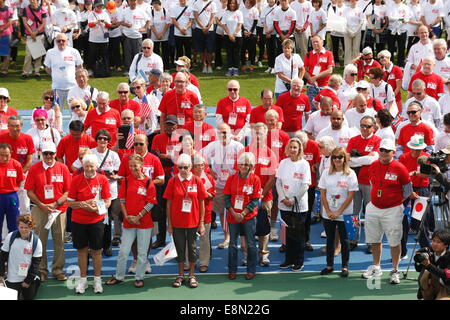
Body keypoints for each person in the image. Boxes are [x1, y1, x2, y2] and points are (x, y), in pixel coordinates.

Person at [362, 138, 413, 285]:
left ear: (393, 152)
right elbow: (373, 184)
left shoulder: (400, 168)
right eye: (381, 150)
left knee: (394, 241)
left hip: (393, 209)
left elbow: (407, 190)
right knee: (374, 239)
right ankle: (376, 267)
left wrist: (395, 202)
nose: (383, 153)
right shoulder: (372, 165)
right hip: (373, 207)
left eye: (387, 150)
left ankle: (395, 270)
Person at [105, 154, 157, 288]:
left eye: (135, 165)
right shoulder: (126, 181)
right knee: (123, 251)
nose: (133, 168)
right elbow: (122, 200)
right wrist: (128, 216)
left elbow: (151, 203)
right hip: (128, 222)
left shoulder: (148, 182)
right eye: (131, 166)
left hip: (144, 224)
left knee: (142, 253)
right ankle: (119, 276)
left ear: (141, 165)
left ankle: (139, 277)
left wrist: (138, 217)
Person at [25, 142, 70, 282]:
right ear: (41, 154)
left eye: (51, 153)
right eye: (46, 153)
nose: (49, 156)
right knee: (39, 241)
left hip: (59, 210)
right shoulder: (34, 169)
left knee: (59, 241)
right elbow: (29, 191)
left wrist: (55, 203)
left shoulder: (63, 168)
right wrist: (41, 204)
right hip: (39, 209)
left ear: (56, 154)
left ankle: (58, 270)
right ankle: (41, 270)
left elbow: (68, 191)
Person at [71, 130, 121, 257]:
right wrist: (82, 176)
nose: (102, 140)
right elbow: (75, 166)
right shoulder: (90, 152)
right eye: (100, 138)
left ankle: (106, 245)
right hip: (90, 193)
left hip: (109, 193)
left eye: (105, 138)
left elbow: (118, 172)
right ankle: (90, 248)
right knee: (93, 221)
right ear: (96, 139)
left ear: (108, 141)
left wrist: (112, 176)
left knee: (106, 220)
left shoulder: (113, 155)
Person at [67, 154, 111, 294]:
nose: (89, 169)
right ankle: (83, 281)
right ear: (83, 167)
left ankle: (97, 281)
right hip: (79, 221)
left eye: (92, 166)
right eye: (87, 166)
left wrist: (96, 208)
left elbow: (107, 201)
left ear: (96, 167)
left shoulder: (103, 179)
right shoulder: (76, 180)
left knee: (97, 251)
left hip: (96, 221)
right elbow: (69, 202)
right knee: (82, 251)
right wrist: (82, 205)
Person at [237, 123, 278, 267]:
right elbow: (238, 175)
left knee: (263, 227)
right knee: (246, 227)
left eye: (261, 133)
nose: (258, 136)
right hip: (246, 199)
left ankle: (263, 254)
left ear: (265, 135)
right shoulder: (244, 151)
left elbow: (272, 177)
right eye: (256, 134)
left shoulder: (270, 154)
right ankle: (247, 255)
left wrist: (261, 193)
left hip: (264, 198)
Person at [163, 153, 206, 288]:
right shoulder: (172, 181)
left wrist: (202, 223)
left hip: (193, 222)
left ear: (191, 167)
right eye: (180, 167)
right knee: (180, 249)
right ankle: (180, 274)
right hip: (177, 222)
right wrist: (169, 224)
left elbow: (202, 203)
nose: (183, 170)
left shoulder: (197, 181)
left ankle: (192, 275)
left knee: (192, 249)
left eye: (186, 167)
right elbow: (168, 204)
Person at [200, 123, 244, 249]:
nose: (223, 135)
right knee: (222, 212)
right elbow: (201, 156)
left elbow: (245, 163)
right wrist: (209, 170)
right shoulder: (213, 145)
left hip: (235, 185)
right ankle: (227, 237)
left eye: (225, 132)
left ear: (230, 133)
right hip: (219, 185)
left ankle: (239, 237)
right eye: (220, 132)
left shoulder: (237, 146)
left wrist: (236, 176)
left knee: (237, 211)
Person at [318, 146, 358, 276]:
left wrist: (339, 211)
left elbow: (351, 196)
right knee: (330, 240)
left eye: (340, 157)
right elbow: (323, 194)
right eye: (334, 157)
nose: (337, 159)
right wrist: (328, 211)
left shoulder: (351, 174)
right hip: (328, 213)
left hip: (345, 213)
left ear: (344, 158)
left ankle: (345, 267)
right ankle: (329, 265)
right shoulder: (325, 173)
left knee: (345, 240)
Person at [223, 152, 261, 280]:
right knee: (232, 244)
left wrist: (243, 213)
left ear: (251, 166)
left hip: (248, 217)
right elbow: (226, 198)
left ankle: (251, 269)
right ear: (238, 165)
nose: (244, 166)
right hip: (233, 217)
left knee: (250, 244)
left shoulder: (255, 179)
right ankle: (232, 269)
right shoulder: (231, 179)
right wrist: (233, 212)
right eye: (242, 164)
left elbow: (255, 199)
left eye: (247, 164)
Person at [346, 115, 381, 252]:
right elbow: (348, 161)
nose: (364, 128)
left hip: (370, 182)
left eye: (367, 126)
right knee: (353, 213)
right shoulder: (353, 140)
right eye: (362, 125)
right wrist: (365, 158)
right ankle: (353, 239)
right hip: (354, 182)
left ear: (373, 127)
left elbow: (373, 160)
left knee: (370, 214)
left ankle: (372, 242)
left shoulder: (378, 140)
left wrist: (357, 159)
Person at [276, 138, 311, 271]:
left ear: (300, 149)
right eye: (291, 147)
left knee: (298, 235)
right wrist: (283, 198)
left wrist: (294, 199)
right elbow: (278, 182)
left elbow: (305, 185)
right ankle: (288, 259)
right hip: (284, 204)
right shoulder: (283, 163)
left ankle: (298, 261)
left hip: (299, 206)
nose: (292, 150)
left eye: (295, 147)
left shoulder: (304, 164)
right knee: (288, 234)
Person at [398, 134, 432, 257]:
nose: (416, 151)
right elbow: (400, 174)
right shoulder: (403, 157)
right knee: (400, 219)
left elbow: (427, 175)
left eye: (419, 149)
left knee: (420, 222)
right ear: (410, 147)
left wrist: (413, 173)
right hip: (406, 189)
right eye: (414, 148)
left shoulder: (426, 157)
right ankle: (402, 251)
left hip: (422, 190)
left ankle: (426, 251)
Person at [0, 214, 42, 300]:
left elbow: (35, 264)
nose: (23, 230)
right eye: (21, 227)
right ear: (18, 226)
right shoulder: (10, 237)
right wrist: (1, 275)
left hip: (28, 278)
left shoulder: (36, 241)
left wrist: (28, 281)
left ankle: (36, 282)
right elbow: (2, 257)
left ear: (31, 227)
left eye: (26, 227)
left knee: (28, 297)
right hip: (12, 278)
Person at [0, 116, 35, 215]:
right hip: (4, 176)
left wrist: (20, 173)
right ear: (8, 126)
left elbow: (29, 160)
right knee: (4, 206)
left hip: (22, 175)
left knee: (24, 205)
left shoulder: (27, 138)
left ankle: (25, 229)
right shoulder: (1, 137)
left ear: (22, 126)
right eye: (12, 126)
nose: (15, 128)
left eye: (17, 126)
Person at [43, 32, 83, 109]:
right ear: (55, 41)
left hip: (72, 87)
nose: (61, 42)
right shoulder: (50, 52)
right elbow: (47, 68)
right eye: (58, 41)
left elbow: (80, 66)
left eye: (63, 40)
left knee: (74, 111)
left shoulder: (74, 51)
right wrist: (55, 75)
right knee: (57, 111)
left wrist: (74, 75)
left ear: (67, 41)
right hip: (56, 88)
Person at [192, 154, 215, 273]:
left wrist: (203, 192)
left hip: (205, 214)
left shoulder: (209, 178)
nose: (200, 168)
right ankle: (190, 261)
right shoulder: (189, 177)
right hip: (190, 214)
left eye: (202, 165)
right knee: (190, 240)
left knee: (204, 240)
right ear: (193, 166)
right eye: (197, 166)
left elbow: (212, 196)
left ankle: (204, 262)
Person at [415, 229, 450, 300]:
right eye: (433, 241)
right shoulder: (429, 252)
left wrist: (428, 265)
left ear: (446, 245)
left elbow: (445, 275)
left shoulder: (449, 257)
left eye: (438, 242)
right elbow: (418, 269)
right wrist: (419, 260)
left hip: (447, 288)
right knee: (425, 275)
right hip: (434, 286)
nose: (434, 244)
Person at [120, 0, 150, 76]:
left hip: (137, 37)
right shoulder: (125, 11)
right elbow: (120, 22)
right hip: (127, 36)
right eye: (131, 1)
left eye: (134, 1)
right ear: (128, 2)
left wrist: (144, 28)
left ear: (136, 1)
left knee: (137, 55)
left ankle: (138, 69)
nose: (133, 2)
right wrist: (125, 24)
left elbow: (148, 20)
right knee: (127, 54)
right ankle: (127, 70)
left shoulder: (140, 11)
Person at [0, 143, 24, 234]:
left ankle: (13, 244)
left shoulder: (16, 164)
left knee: (13, 223)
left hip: (12, 196)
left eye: (7, 155)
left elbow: (19, 180)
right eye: (1, 155)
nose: (4, 158)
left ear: (11, 153)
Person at [303, 35, 334, 105]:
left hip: (325, 85)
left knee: (326, 106)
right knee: (312, 107)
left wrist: (316, 77)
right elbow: (304, 70)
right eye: (313, 42)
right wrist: (310, 79)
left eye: (317, 42)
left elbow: (330, 70)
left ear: (322, 42)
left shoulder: (328, 54)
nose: (315, 44)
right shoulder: (308, 54)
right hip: (311, 86)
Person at [21, 0, 47, 79]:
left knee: (38, 55)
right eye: (31, 0)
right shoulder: (25, 9)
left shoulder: (43, 9)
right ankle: (25, 72)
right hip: (30, 34)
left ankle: (37, 72)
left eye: (34, 0)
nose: (32, 1)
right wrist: (31, 33)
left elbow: (43, 23)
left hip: (39, 34)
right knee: (28, 55)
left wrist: (36, 32)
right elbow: (25, 22)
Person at [86, 0, 111, 76]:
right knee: (92, 55)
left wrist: (105, 22)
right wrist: (97, 22)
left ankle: (105, 69)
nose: (99, 7)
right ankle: (91, 69)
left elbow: (109, 26)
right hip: (93, 39)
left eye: (101, 6)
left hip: (104, 38)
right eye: (98, 6)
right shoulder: (91, 14)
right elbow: (90, 25)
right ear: (95, 6)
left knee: (105, 55)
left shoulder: (105, 14)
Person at [219, 0, 243, 77]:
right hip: (227, 36)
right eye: (230, 3)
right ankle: (230, 69)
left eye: (233, 3)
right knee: (229, 53)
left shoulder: (239, 12)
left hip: (237, 36)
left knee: (236, 53)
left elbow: (240, 25)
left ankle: (236, 69)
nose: (232, 5)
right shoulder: (226, 13)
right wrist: (230, 35)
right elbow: (224, 24)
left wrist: (234, 34)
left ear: (236, 4)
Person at [193, 0, 216, 74]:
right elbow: (196, 17)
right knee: (201, 49)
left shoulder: (212, 3)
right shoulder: (197, 3)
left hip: (210, 29)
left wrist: (208, 27)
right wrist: (203, 27)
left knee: (209, 49)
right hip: (199, 29)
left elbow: (212, 17)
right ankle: (204, 65)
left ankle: (209, 65)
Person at [149, 0, 170, 72]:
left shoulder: (165, 11)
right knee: (156, 52)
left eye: (155, 4)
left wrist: (162, 33)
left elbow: (167, 23)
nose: (154, 5)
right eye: (153, 4)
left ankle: (166, 67)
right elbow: (151, 25)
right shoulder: (151, 12)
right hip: (155, 36)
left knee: (165, 52)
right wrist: (157, 34)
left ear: (159, 4)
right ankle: (156, 67)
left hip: (165, 35)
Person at [386, 0, 408, 68]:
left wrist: (402, 20)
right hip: (392, 30)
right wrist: (400, 19)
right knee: (390, 48)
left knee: (401, 48)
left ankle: (400, 65)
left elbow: (406, 18)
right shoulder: (390, 6)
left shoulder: (405, 7)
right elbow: (390, 18)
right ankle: (390, 64)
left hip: (402, 30)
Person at [343, 0, 364, 65]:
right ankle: (347, 64)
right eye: (351, 0)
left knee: (356, 49)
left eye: (354, 0)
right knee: (347, 49)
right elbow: (343, 21)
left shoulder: (359, 10)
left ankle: (355, 63)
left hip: (357, 32)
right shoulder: (345, 9)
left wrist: (355, 31)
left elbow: (362, 21)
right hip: (347, 31)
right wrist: (348, 30)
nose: (353, 1)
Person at [261, 0, 277, 73]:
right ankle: (270, 66)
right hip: (266, 32)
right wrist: (266, 30)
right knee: (268, 50)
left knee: (274, 50)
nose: (271, 0)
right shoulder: (265, 8)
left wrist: (270, 31)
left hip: (274, 32)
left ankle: (274, 67)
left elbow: (276, 21)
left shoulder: (277, 8)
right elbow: (263, 20)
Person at [0, 0, 13, 77]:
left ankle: (4, 70)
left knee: (6, 52)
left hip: (6, 33)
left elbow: (10, 22)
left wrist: (2, 29)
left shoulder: (8, 9)